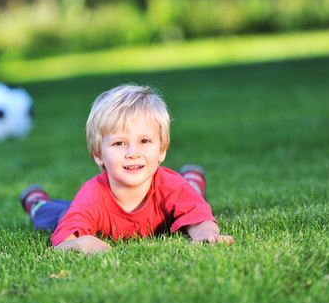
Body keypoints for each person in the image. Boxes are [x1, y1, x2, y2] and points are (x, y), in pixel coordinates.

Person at [19, 84, 234, 254]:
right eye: (119, 143)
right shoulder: (92, 198)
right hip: (75, 210)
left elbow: (199, 218)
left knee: (190, 196)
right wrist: (82, 243)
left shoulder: (170, 187)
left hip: (175, 190)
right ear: (98, 155)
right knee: (49, 216)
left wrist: (206, 235)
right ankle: (36, 200)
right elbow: (63, 241)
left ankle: (193, 179)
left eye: (145, 141)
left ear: (162, 150)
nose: (133, 152)